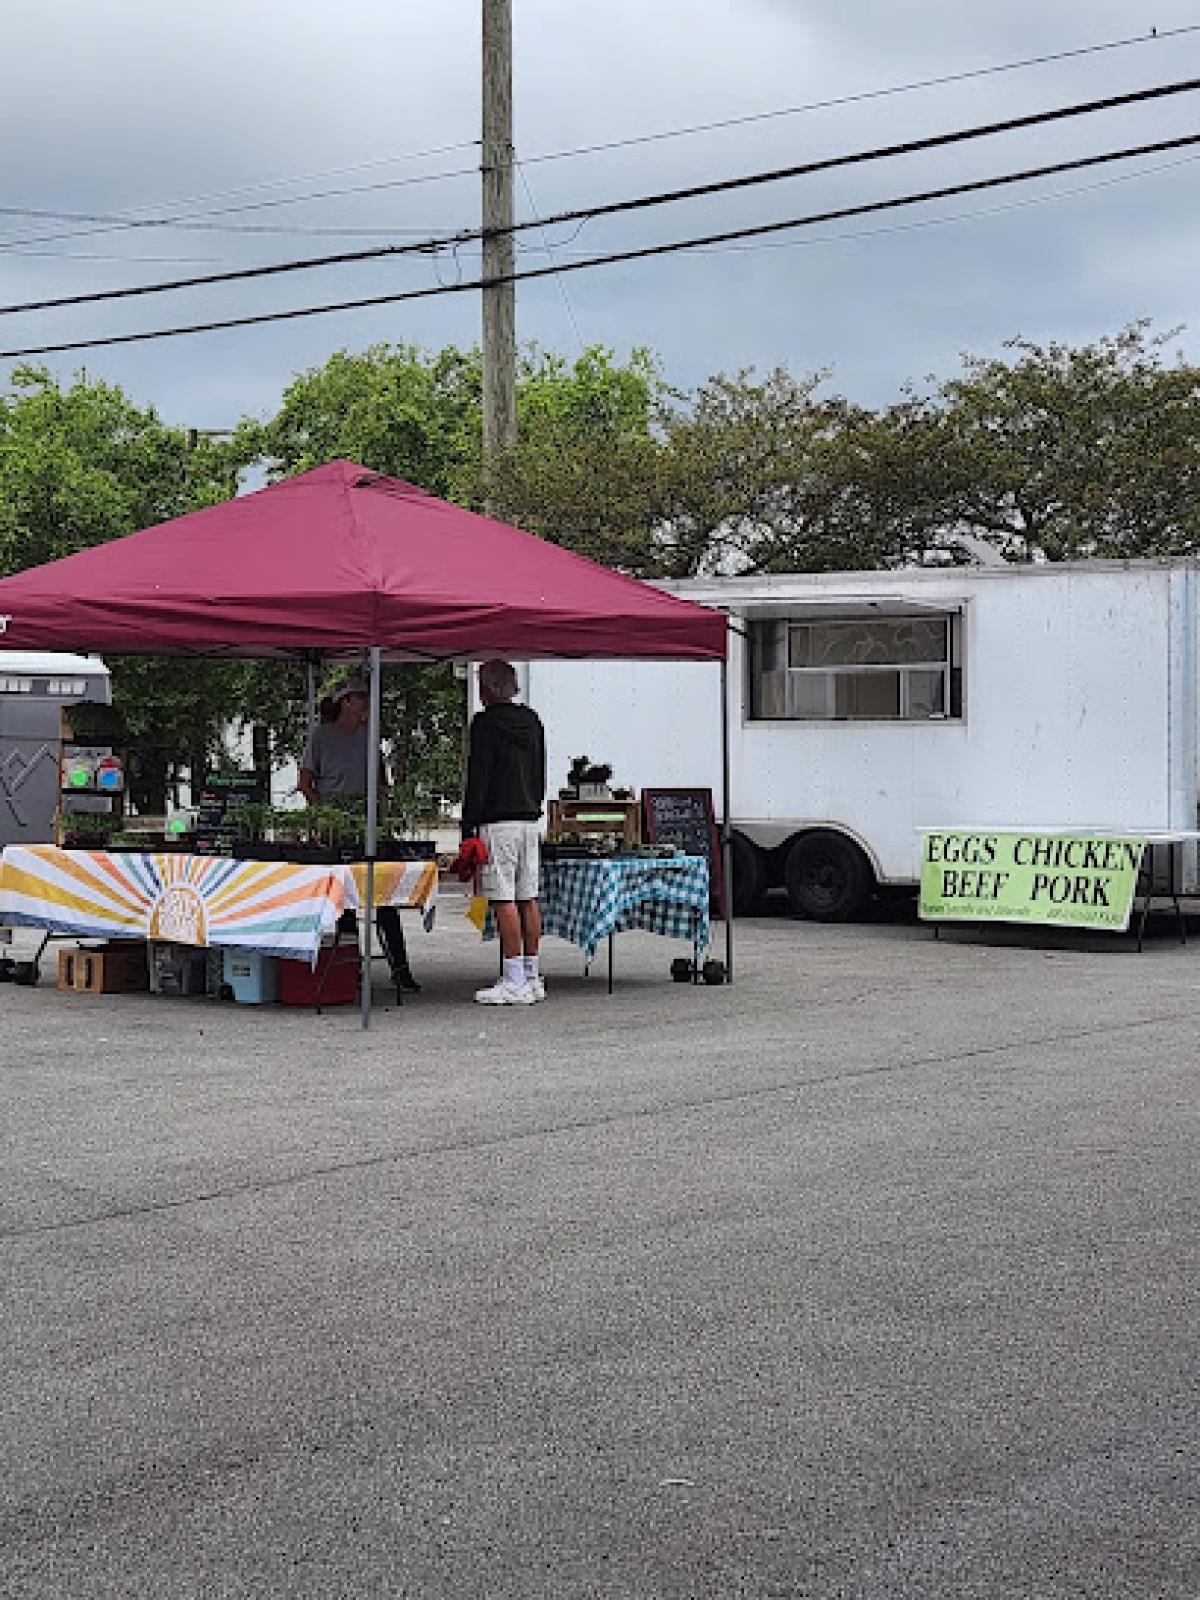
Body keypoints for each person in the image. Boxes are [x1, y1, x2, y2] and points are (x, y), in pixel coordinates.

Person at [297, 675, 419, 996]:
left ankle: (400, 969)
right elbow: (305, 782)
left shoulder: (370, 736)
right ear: (345, 702)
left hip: (369, 825)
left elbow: (381, 781)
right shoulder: (321, 736)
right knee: (345, 902)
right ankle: (350, 969)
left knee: (385, 897)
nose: (366, 703)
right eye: (360, 697)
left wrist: (384, 808)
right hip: (336, 828)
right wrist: (323, 815)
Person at [463, 659, 546, 1006]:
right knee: (528, 898)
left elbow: (478, 778)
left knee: (503, 899)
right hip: (529, 819)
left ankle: (513, 979)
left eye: (482, 686)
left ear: (490, 689)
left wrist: (469, 826)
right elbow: (541, 771)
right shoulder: (532, 720)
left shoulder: (485, 724)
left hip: (498, 822)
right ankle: (531, 975)